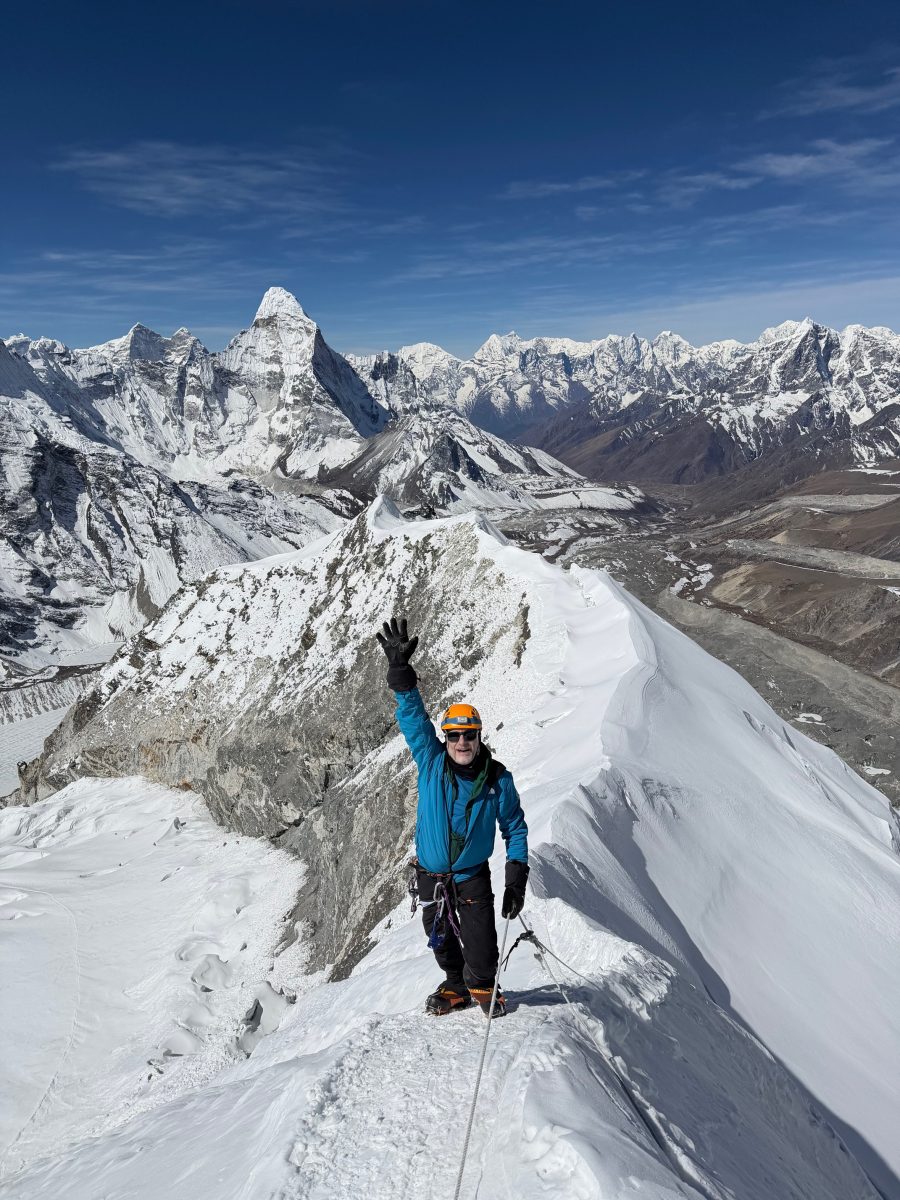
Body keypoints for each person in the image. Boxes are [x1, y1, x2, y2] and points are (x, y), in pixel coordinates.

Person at [377, 616, 529, 1018]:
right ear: (444, 738)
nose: (462, 742)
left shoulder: (497, 780)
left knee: (481, 944)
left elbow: (514, 826)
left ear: (480, 737)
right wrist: (401, 676)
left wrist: (517, 875)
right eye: (454, 735)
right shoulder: (431, 762)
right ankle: (457, 984)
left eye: (469, 734)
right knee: (440, 939)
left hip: (470, 873)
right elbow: (413, 721)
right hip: (430, 872)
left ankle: (482, 985)